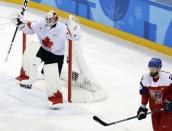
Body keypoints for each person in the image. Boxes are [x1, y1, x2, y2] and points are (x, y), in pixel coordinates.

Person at [12, 11, 81, 107]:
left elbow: (76, 37)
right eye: (47, 19)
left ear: (56, 19)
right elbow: (29, 29)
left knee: (51, 78)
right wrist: (20, 24)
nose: (49, 21)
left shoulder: (62, 28)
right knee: (33, 63)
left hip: (56, 55)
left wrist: (75, 30)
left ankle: (56, 99)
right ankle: (31, 80)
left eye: (51, 19)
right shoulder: (40, 24)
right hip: (44, 50)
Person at [137, 58, 172, 131]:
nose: (151, 71)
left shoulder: (168, 78)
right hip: (154, 110)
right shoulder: (145, 79)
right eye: (150, 69)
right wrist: (143, 107)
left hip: (168, 109)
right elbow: (145, 94)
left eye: (153, 69)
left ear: (159, 69)